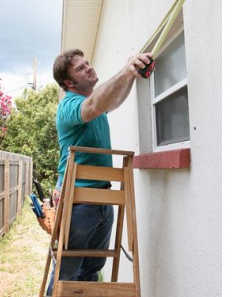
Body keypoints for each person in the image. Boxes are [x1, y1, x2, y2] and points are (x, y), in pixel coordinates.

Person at [46, 49, 152, 295]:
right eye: (81, 68)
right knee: (67, 272)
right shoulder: (70, 106)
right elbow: (94, 105)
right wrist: (126, 70)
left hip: (103, 199)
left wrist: (132, 74)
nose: (89, 68)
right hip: (79, 201)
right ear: (69, 83)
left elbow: (111, 101)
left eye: (87, 63)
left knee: (92, 270)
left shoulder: (93, 104)